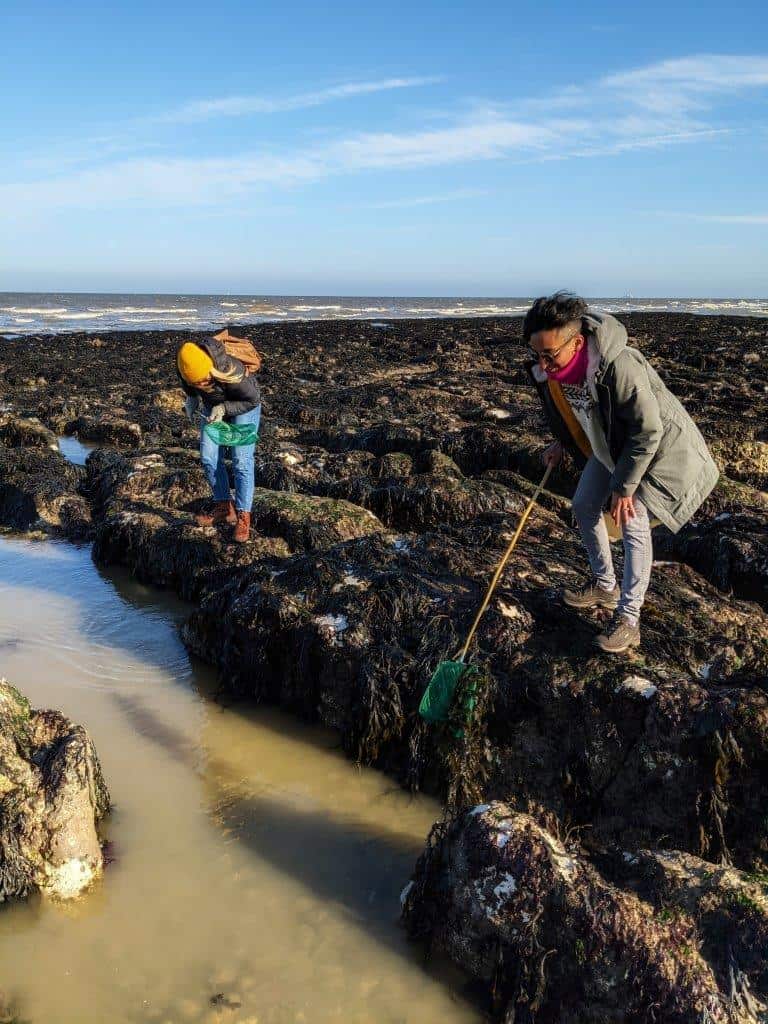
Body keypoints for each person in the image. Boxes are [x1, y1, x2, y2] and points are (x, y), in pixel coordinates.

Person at [523, 292, 719, 653]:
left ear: (577, 342)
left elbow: (647, 432)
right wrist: (562, 444)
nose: (543, 364)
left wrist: (625, 489)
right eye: (537, 354)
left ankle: (629, 620)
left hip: (656, 452)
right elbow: (576, 414)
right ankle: (605, 586)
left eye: (549, 355)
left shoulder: (619, 365)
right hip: (611, 446)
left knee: (632, 517)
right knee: (583, 505)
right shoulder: (554, 372)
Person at [176, 334, 261, 543]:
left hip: (244, 406)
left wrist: (224, 408)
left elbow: (253, 399)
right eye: (198, 382)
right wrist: (192, 398)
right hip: (212, 406)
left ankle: (243, 515)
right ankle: (224, 507)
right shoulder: (186, 369)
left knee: (241, 461)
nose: (203, 383)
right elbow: (189, 385)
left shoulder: (233, 370)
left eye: (206, 379)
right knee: (208, 457)